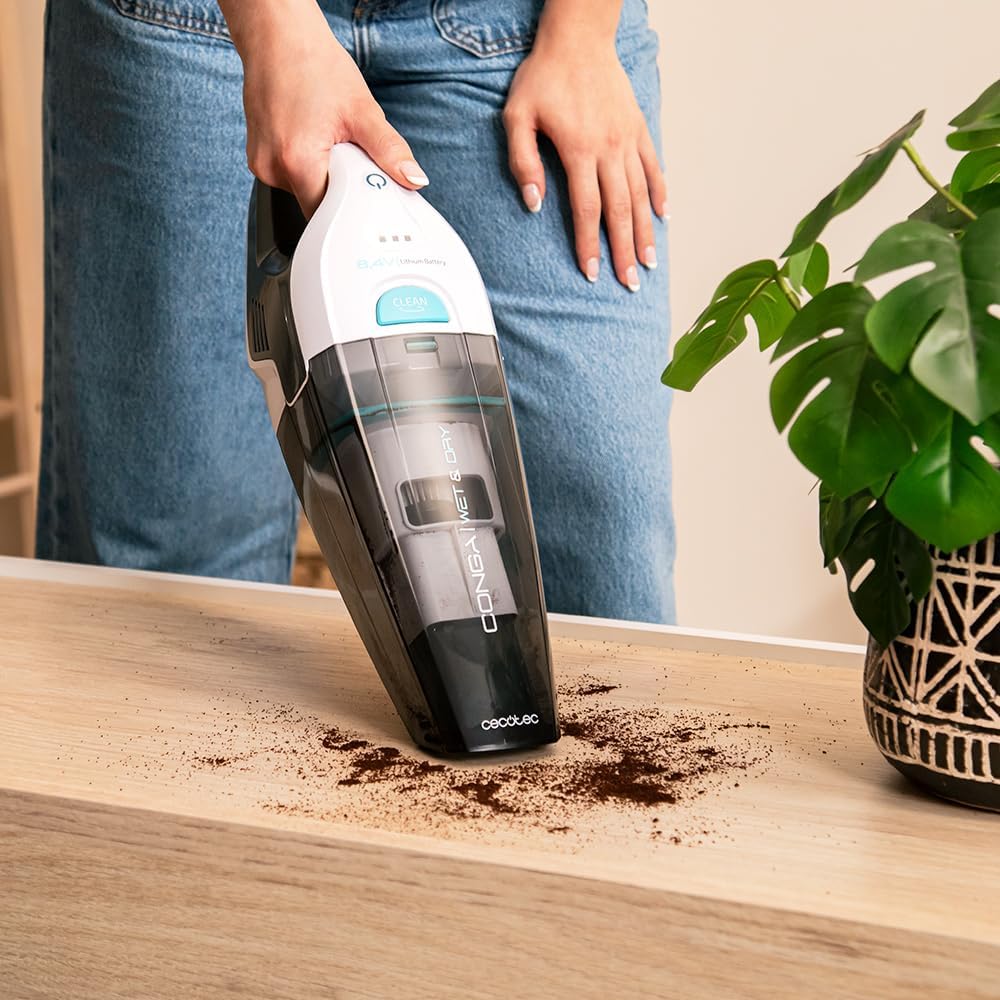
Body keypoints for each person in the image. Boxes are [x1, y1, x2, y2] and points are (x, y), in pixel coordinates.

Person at [37, 0, 676, 625]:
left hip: (521, 22)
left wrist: (584, 32)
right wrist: (273, 26)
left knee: (601, 543)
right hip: (189, 21)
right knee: (179, 566)